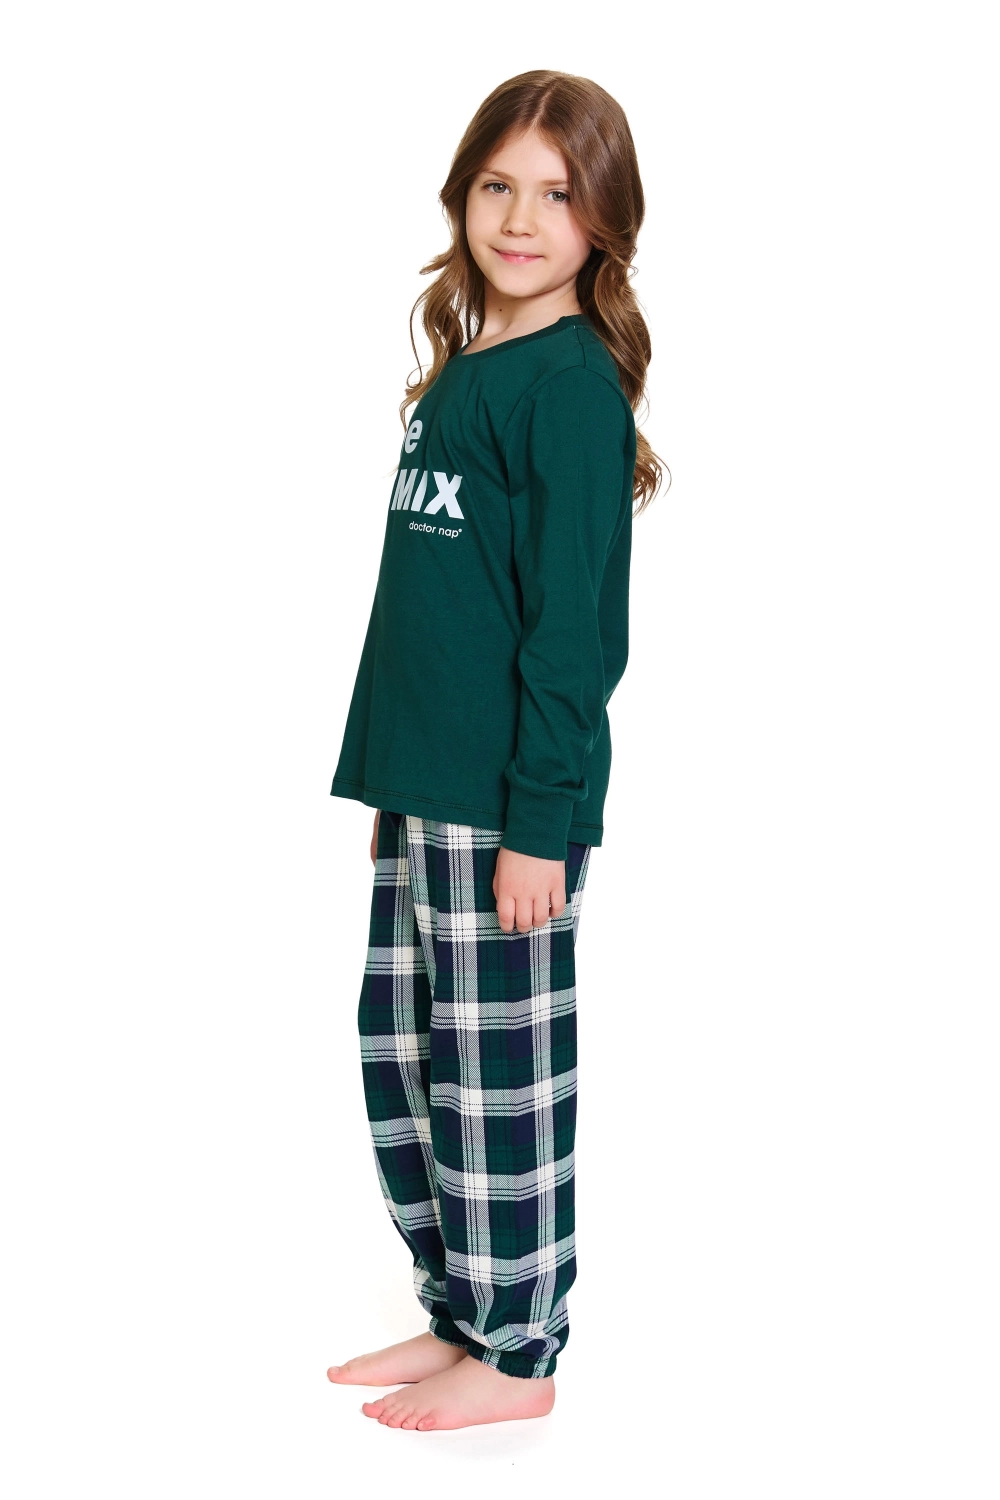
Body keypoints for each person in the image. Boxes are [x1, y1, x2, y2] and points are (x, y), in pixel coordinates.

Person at [326, 69, 664, 1431]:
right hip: (427, 789)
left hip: (506, 806)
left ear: (605, 219)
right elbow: (431, 607)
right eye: (497, 186)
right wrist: (391, 780)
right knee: (408, 1060)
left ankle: (521, 1356)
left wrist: (541, 821)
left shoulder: (569, 390)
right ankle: (461, 1312)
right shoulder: (472, 367)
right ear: (462, 196)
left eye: (558, 194)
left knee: (498, 1083)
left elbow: (571, 637)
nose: (521, 219)